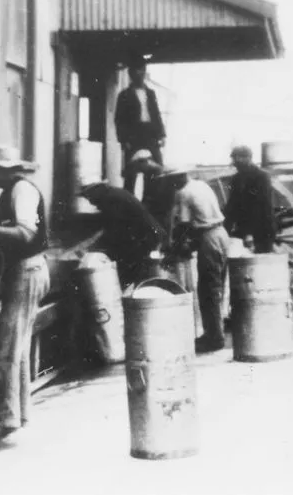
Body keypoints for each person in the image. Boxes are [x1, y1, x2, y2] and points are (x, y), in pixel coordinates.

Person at [0, 146, 51, 441]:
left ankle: (4, 419)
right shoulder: (10, 193)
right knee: (18, 344)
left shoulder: (22, 190)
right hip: (24, 271)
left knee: (7, 346)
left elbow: (26, 233)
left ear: (1, 170)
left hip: (28, 271)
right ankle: (19, 412)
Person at [165, 168, 230, 353]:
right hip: (221, 234)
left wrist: (173, 250)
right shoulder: (201, 185)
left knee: (208, 290)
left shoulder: (184, 192)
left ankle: (214, 338)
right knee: (217, 287)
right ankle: (215, 333)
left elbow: (184, 227)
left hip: (209, 238)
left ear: (178, 177)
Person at [80, 181, 167, 288]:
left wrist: (94, 247)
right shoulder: (113, 194)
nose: (90, 202)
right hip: (144, 236)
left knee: (131, 273)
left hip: (146, 237)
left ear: (97, 190)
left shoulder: (111, 199)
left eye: (89, 197)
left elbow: (115, 229)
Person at [115, 55, 166, 194]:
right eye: (136, 70)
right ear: (131, 73)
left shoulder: (151, 93)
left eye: (142, 70)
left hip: (151, 135)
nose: (140, 73)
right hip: (133, 136)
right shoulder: (124, 95)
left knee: (155, 170)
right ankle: (128, 206)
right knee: (131, 174)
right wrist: (123, 140)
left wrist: (162, 135)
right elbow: (119, 120)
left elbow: (156, 114)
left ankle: (149, 206)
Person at [223, 145, 277, 253]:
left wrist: (249, 233)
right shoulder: (236, 179)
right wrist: (224, 230)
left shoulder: (262, 177)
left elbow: (260, 207)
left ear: (247, 158)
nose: (234, 163)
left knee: (261, 263)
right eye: (233, 159)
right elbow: (232, 206)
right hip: (243, 231)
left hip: (262, 230)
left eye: (236, 159)